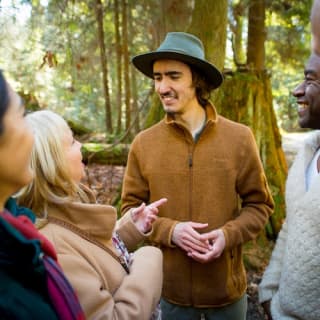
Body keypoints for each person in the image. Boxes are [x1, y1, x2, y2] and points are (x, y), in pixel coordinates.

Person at [121, 32, 274, 320]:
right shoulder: (144, 144)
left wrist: (228, 236)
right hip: (170, 294)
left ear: (197, 80)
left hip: (226, 294)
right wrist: (171, 231)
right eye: (157, 78)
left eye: (173, 76)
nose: (162, 87)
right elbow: (130, 211)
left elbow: (260, 206)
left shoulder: (239, 138)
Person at [17, 109, 166, 320]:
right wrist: (148, 258)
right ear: (53, 163)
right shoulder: (53, 247)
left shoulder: (64, 212)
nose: (81, 146)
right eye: (71, 142)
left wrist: (129, 229)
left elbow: (89, 253)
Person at [0, 70, 85, 319]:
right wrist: (150, 258)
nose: (31, 133)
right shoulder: (10, 297)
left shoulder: (19, 233)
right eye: (21, 114)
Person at [259, 1, 320, 319]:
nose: (298, 91)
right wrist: (269, 293)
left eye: (310, 81)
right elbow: (291, 228)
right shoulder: (309, 153)